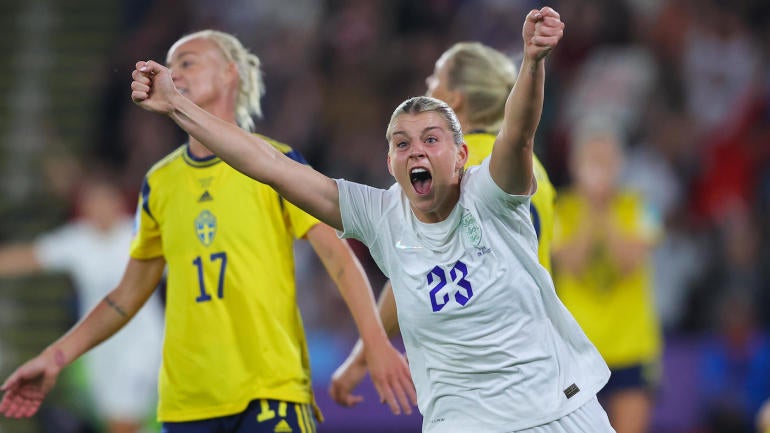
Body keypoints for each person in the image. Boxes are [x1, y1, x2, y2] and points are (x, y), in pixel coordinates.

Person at [127, 7, 615, 433]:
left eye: (430, 138)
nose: (415, 150)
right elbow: (270, 166)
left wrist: (532, 62)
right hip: (464, 421)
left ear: (462, 152)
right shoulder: (380, 214)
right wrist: (176, 105)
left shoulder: (490, 190)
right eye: (401, 143)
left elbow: (520, 131)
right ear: (388, 163)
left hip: (556, 407)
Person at [0, 30, 415, 433]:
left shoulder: (279, 164)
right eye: (171, 63)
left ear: (229, 74)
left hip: (269, 391)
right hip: (186, 404)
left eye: (189, 61)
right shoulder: (159, 183)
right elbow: (125, 297)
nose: (175, 71)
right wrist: (54, 358)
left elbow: (338, 257)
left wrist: (374, 343)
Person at [327, 40, 557, 408]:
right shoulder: (532, 170)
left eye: (436, 77)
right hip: (540, 361)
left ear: (456, 99)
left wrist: (363, 356)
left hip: (481, 371)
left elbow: (413, 269)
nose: (427, 82)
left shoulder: (453, 169)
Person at [0, 172, 163, 433]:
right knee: (115, 420)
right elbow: (29, 257)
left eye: (102, 200)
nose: (97, 208)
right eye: (91, 201)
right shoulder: (79, 240)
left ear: (117, 201)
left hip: (140, 345)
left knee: (123, 422)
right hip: (98, 346)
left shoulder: (141, 234)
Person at [551, 117, 663, 433]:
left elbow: (629, 261)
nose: (600, 170)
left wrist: (606, 205)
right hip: (579, 351)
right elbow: (572, 262)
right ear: (576, 166)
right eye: (592, 161)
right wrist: (590, 204)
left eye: (607, 161)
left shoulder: (642, 207)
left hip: (632, 347)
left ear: (620, 164)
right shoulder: (561, 210)